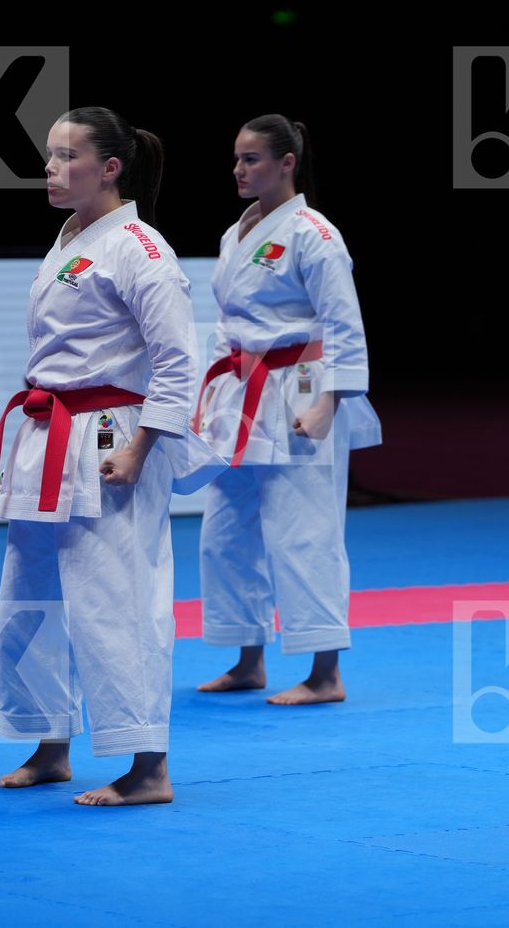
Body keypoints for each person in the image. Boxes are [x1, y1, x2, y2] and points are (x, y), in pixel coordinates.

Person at [0, 106, 218, 806]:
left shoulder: (141, 249)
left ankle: (148, 765)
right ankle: (49, 742)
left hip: (112, 438)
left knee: (116, 599)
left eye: (67, 156)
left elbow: (177, 360)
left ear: (110, 168)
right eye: (49, 154)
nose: (50, 168)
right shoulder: (70, 238)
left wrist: (144, 446)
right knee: (30, 594)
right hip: (50, 433)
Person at [193, 115, 381, 705]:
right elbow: (229, 324)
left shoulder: (314, 234)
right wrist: (212, 395)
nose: (238, 169)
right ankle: (247, 659)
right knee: (225, 530)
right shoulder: (236, 233)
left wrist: (330, 402)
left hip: (302, 386)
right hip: (242, 392)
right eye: (236, 158)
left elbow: (344, 324)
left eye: (251, 159)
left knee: (305, 531)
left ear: (287, 163)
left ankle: (325, 674)